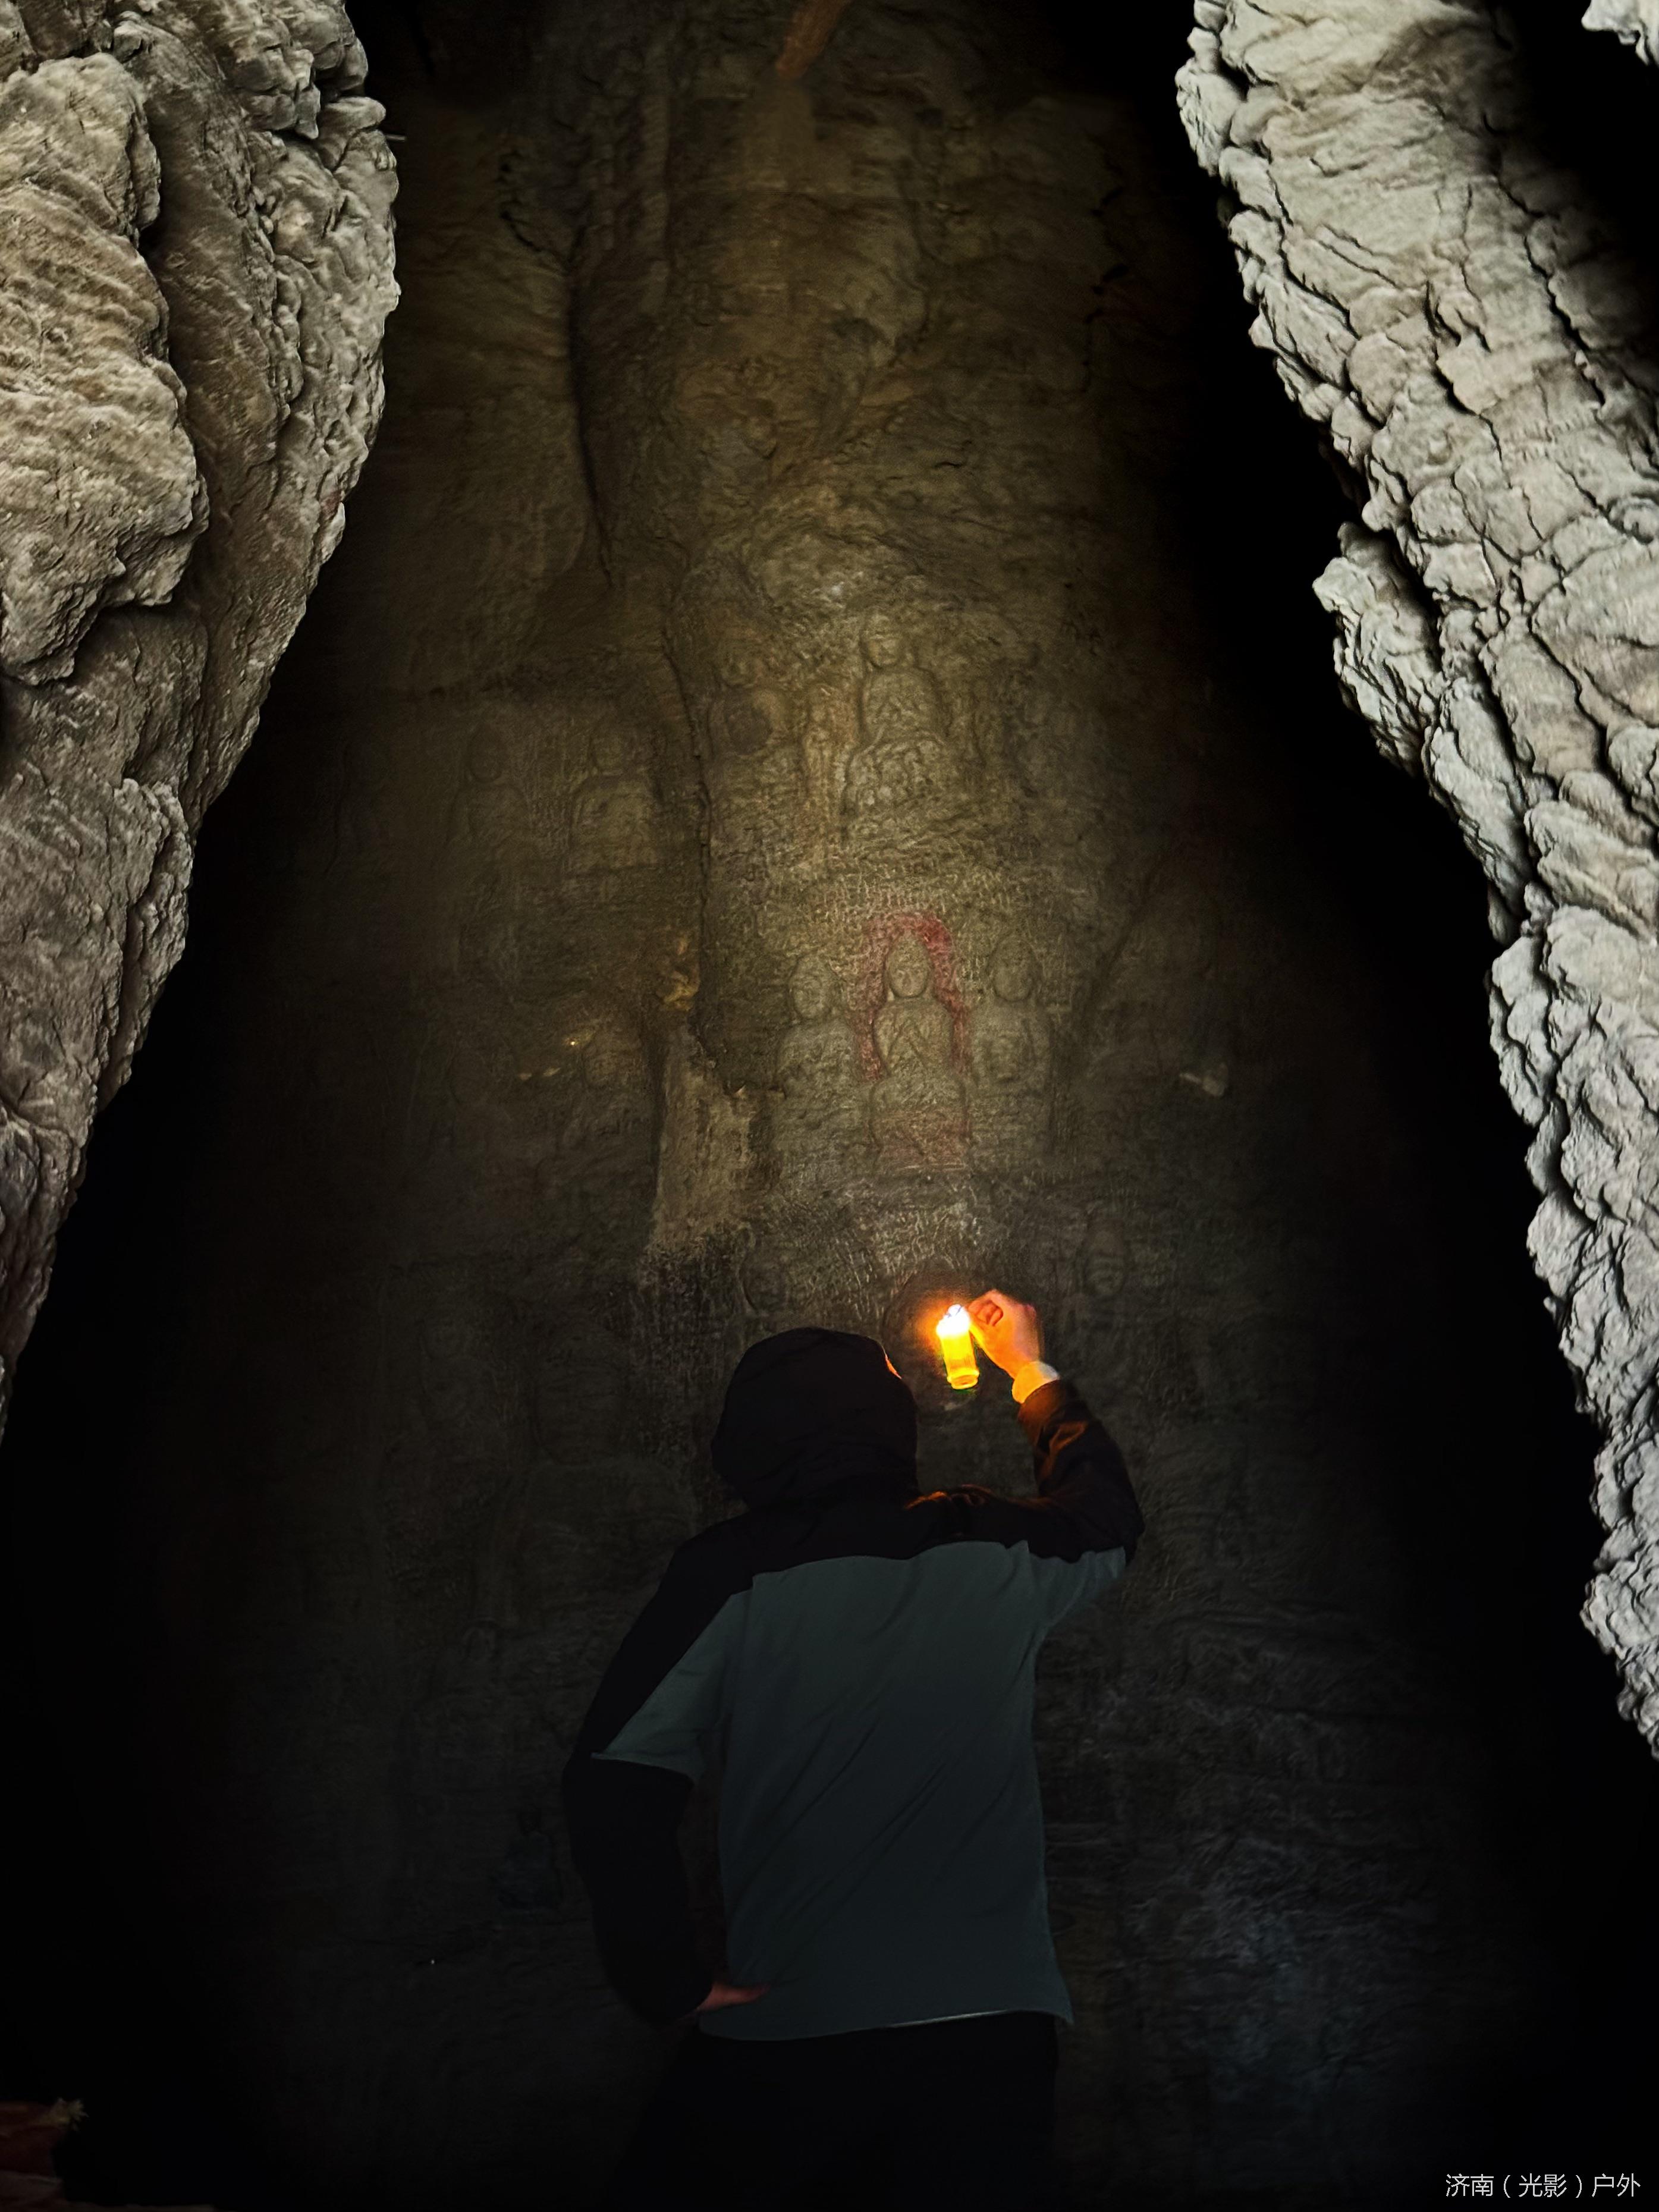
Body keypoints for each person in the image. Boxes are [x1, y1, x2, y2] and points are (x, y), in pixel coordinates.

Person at [560, 1290, 1144, 2211]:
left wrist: (665, 1979)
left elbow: (614, 1781)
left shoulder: (732, 1569)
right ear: (889, 1422)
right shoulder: (995, 1543)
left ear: (752, 1439)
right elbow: (1106, 1517)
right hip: (992, 2026)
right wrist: (1026, 1367)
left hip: (797, 2019)